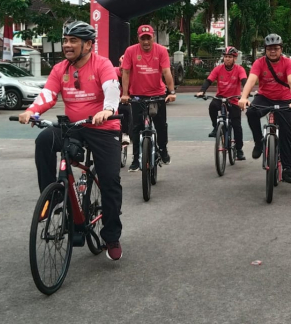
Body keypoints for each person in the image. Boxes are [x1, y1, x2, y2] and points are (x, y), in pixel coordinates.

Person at [17, 21, 124, 261]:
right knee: (44, 139)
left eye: (73, 40)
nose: (67, 45)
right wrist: (32, 111)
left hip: (103, 128)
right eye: (65, 40)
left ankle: (111, 236)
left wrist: (107, 110)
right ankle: (52, 195)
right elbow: (48, 94)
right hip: (73, 127)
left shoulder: (102, 64)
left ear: (88, 45)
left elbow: (112, 89)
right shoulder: (61, 68)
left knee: (110, 181)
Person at [238, 33, 291, 184]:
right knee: (252, 112)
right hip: (265, 97)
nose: (272, 51)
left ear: (281, 49)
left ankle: (287, 169)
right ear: (265, 50)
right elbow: (251, 80)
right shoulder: (259, 63)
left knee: (286, 133)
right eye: (269, 49)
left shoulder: (288, 63)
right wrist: (243, 97)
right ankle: (258, 143)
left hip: (284, 99)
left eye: (275, 48)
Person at [120, 25, 176, 172]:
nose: (145, 42)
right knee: (137, 128)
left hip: (157, 94)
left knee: (160, 126)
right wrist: (125, 94)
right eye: (142, 38)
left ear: (153, 37)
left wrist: (171, 91)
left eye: (148, 38)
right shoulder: (130, 51)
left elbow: (166, 72)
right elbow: (125, 72)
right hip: (137, 96)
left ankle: (163, 149)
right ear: (138, 38)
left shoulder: (161, 51)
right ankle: (136, 159)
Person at [195, 46, 248, 160]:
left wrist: (245, 95)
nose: (227, 59)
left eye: (230, 57)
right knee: (212, 106)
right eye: (225, 57)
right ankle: (216, 127)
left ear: (234, 58)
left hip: (234, 99)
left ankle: (239, 149)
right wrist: (201, 91)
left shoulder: (240, 69)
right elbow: (208, 80)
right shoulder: (218, 69)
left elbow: (245, 81)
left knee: (237, 125)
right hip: (220, 97)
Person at [116, 55, 131, 148]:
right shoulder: (112, 72)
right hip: (115, 99)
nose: (123, 72)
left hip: (130, 99)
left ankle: (126, 133)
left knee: (126, 108)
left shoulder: (134, 74)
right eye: (121, 69)